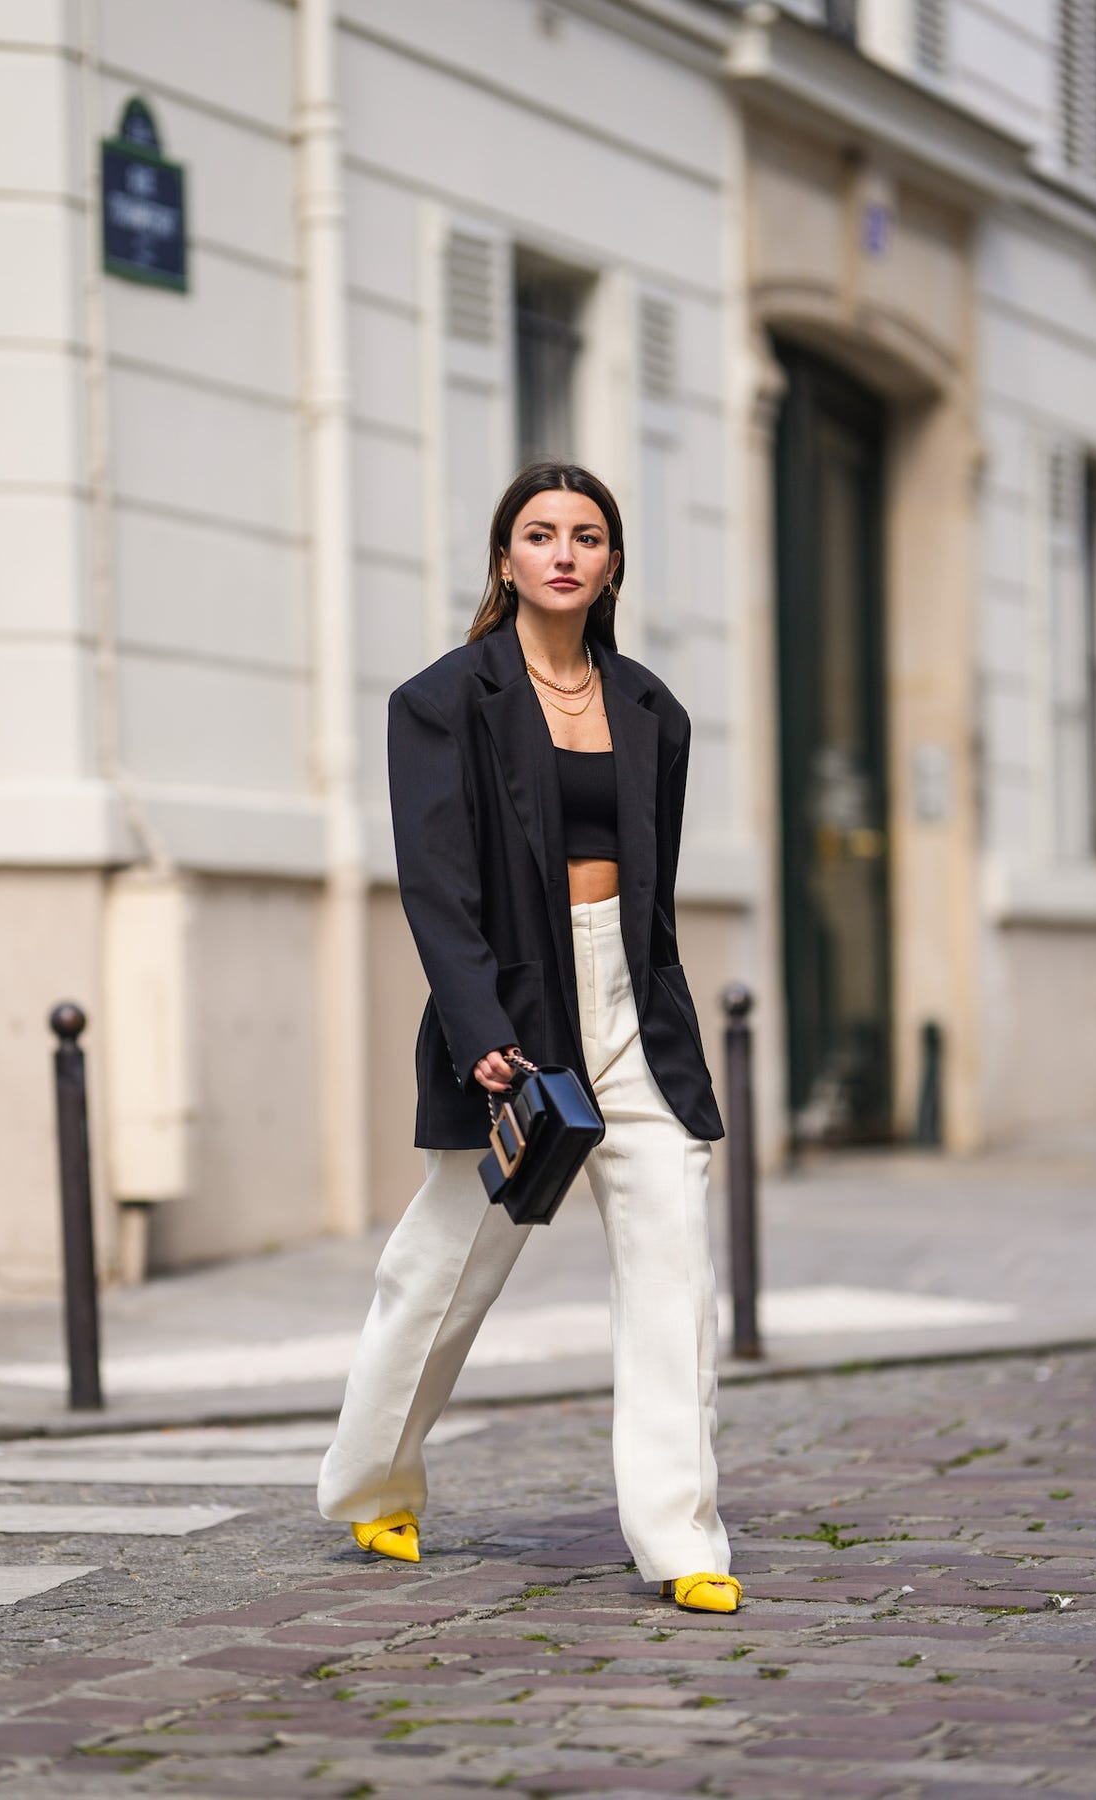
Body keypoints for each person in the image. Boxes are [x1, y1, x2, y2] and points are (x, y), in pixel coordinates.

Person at [317, 461, 739, 1614]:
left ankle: (683, 1535)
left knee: (675, 1274)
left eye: (587, 535)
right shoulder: (442, 700)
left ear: (610, 564)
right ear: (505, 560)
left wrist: (654, 1007)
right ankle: (372, 1480)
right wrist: (480, 1027)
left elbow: (649, 896)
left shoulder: (656, 709)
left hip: (632, 1010)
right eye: (540, 533)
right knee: (445, 1266)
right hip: (516, 1008)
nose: (564, 551)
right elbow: (436, 883)